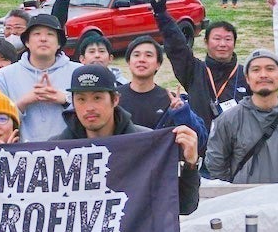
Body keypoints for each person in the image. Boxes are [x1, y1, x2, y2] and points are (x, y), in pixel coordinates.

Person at [55, 65, 201, 214]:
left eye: (97, 97)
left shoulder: (146, 144)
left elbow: (183, 206)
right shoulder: (55, 150)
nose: (89, 107)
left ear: (115, 99)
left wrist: (190, 164)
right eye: (81, 99)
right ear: (72, 102)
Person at [203, 50, 278, 185]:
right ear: (247, 78)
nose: (263, 75)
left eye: (270, 69)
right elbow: (216, 165)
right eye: (256, 70)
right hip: (245, 202)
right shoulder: (228, 120)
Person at [152, 0, 249, 126]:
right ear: (206, 41)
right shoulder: (194, 70)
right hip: (201, 141)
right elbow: (177, 47)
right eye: (217, 39)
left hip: (238, 143)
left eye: (228, 39)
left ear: (234, 43)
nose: (222, 44)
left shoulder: (246, 75)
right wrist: (161, 15)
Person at [0, 12, 78, 142]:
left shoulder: (78, 71)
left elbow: (94, 115)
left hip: (69, 151)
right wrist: (23, 103)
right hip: (20, 153)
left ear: (59, 43)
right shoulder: (4, 76)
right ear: (27, 42)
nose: (43, 39)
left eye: (50, 34)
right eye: (37, 34)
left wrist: (66, 100)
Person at [115, 38, 207, 152]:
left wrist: (182, 113)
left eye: (149, 55)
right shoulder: (114, 98)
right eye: (136, 55)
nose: (142, 60)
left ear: (158, 64)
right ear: (129, 62)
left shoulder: (171, 101)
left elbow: (200, 140)